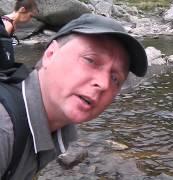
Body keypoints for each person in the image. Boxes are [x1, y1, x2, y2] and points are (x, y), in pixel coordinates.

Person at [0, 13, 148, 180]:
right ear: (50, 54)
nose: (104, 84)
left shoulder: (56, 128)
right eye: (90, 60)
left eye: (115, 78)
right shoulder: (4, 130)